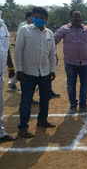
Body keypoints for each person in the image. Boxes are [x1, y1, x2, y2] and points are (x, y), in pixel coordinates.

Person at [15, 7, 57, 138]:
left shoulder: (49, 33)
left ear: (46, 19)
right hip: (28, 72)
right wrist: (19, 69)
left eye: (41, 18)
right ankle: (23, 127)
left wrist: (52, 70)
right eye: (36, 17)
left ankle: (42, 120)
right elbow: (18, 50)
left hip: (44, 72)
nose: (38, 19)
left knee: (45, 98)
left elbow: (52, 54)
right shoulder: (24, 30)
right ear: (32, 17)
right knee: (26, 101)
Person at [54, 10, 87, 114]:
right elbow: (53, 40)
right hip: (70, 63)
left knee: (85, 85)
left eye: (79, 16)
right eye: (75, 17)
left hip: (86, 63)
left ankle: (83, 105)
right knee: (71, 85)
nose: (77, 18)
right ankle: (73, 106)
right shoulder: (64, 29)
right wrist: (53, 53)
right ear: (70, 18)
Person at [0, 8, 17, 142]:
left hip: (1, 73)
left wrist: (10, 66)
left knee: (0, 103)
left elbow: (6, 48)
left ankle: (0, 132)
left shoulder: (3, 26)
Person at [7, 12, 32, 92]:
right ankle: (12, 83)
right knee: (22, 69)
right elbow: (18, 37)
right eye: (32, 17)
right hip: (23, 50)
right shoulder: (23, 25)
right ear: (28, 17)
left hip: (28, 50)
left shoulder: (32, 25)